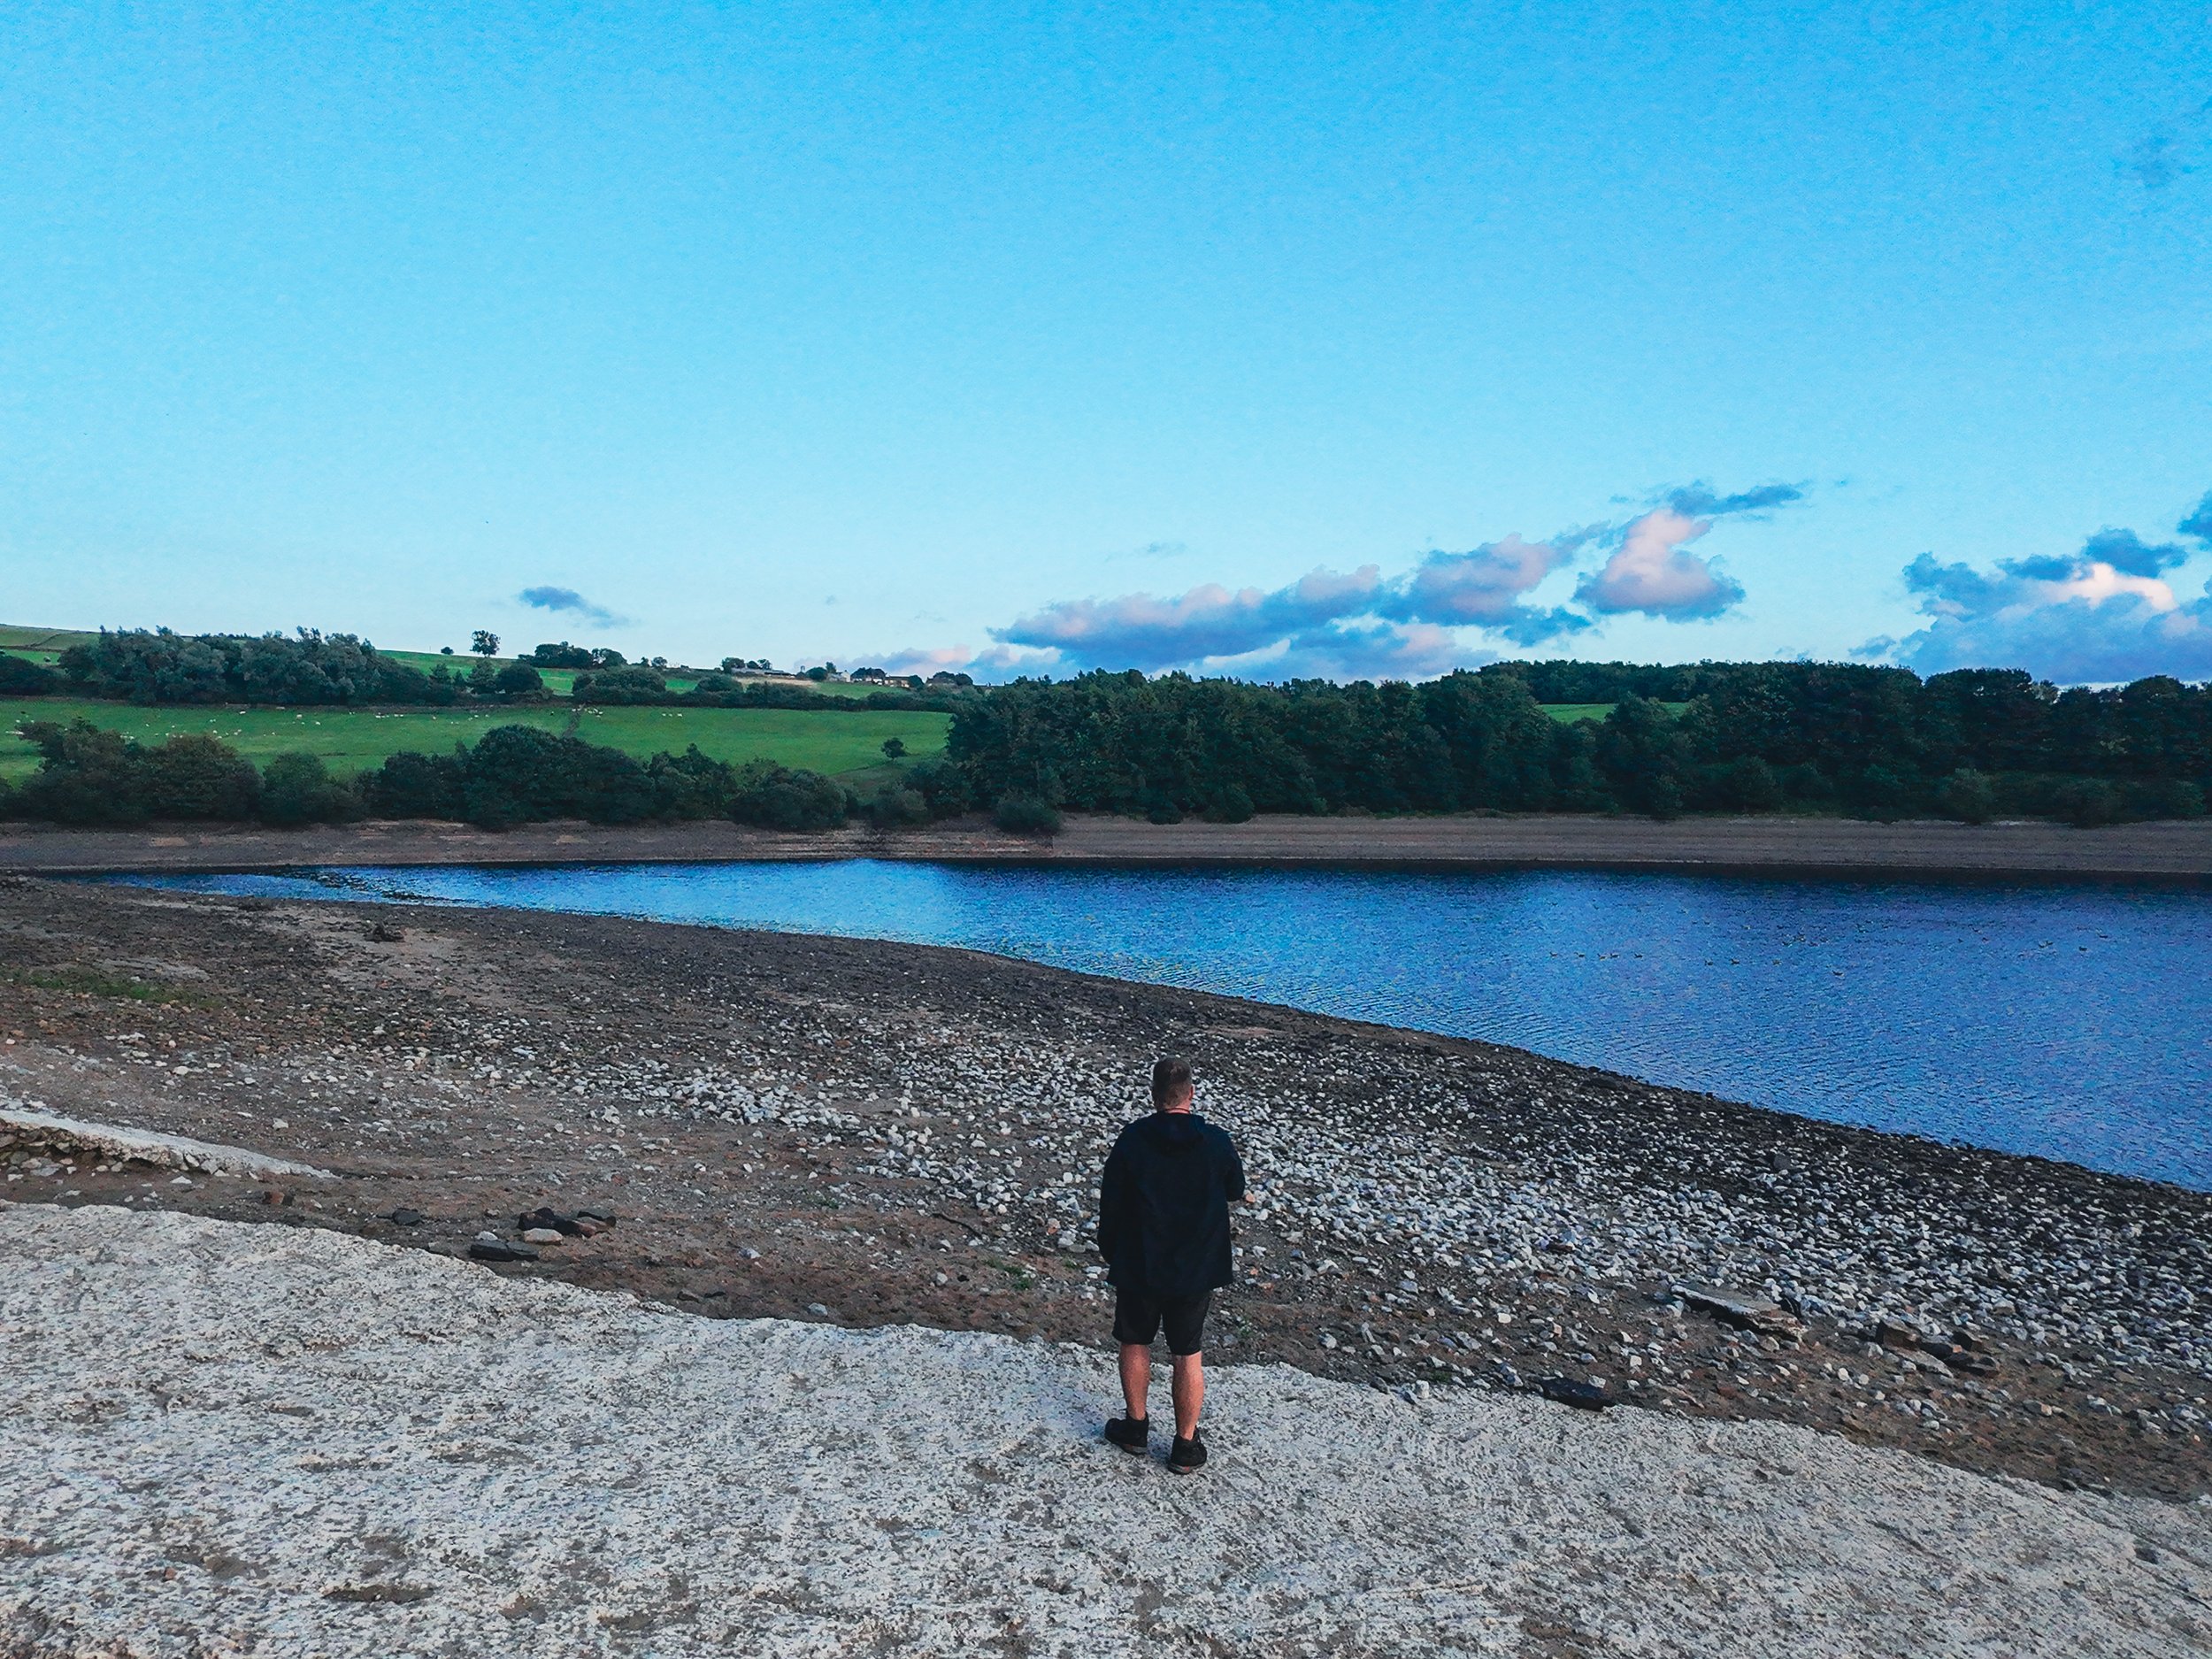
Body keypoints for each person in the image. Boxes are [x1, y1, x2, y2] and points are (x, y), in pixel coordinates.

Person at [1096, 1056, 1246, 1472]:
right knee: (1188, 1352)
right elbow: (1236, 1188)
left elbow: (1111, 1202)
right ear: (1191, 1095)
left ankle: (1136, 1427)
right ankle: (1184, 1445)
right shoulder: (1215, 1141)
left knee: (1135, 1340)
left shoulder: (1133, 1139)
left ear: (1154, 1095)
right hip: (1195, 1266)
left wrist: (1112, 1251)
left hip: (1140, 1260)